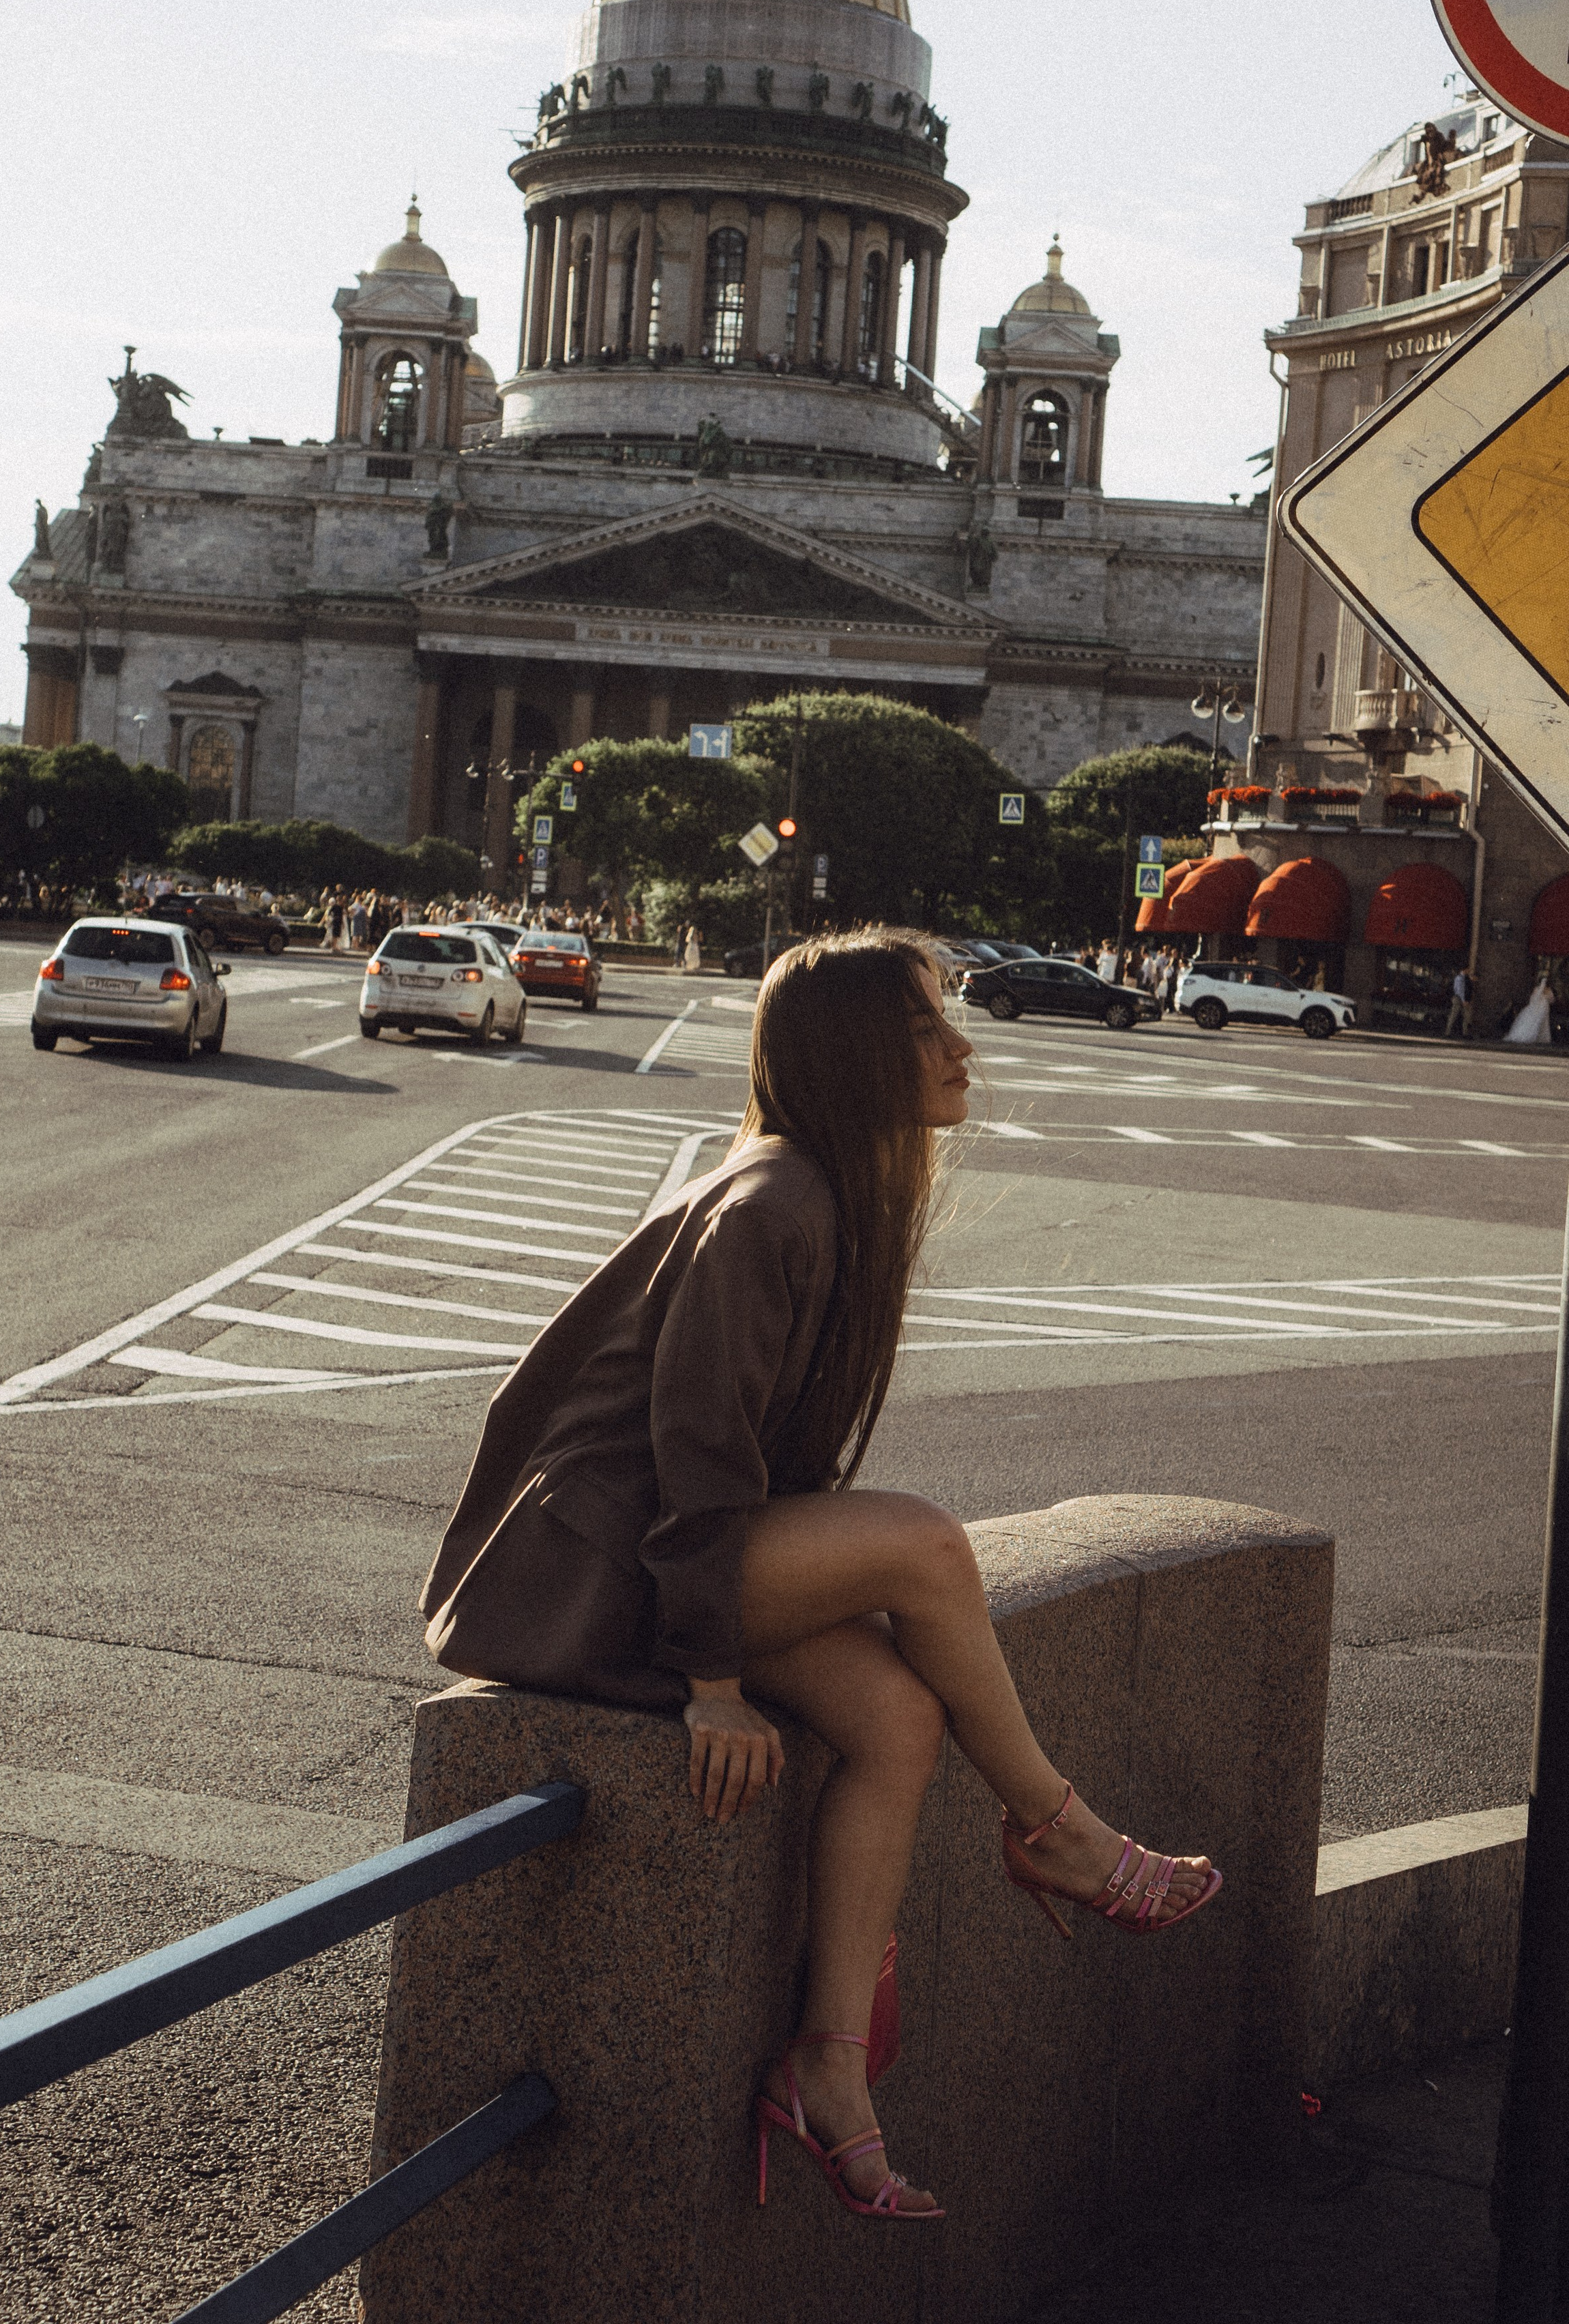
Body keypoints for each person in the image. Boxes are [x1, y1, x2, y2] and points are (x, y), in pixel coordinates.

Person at [420, 930, 1222, 2224]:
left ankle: (828, 2073)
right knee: (926, 1545)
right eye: (926, 1029)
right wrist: (714, 1684)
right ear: (853, 1058)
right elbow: (695, 1451)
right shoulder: (776, 1202)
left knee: (899, 1720)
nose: (963, 1051)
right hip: (585, 1571)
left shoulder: (824, 1194)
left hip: (660, 1553)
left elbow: (754, 1475)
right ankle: (1061, 1832)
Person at [1508, 967, 1555, 1046]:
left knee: (1541, 1023)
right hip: (1540, 1008)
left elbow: (1550, 999)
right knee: (1536, 1022)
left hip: (1542, 1008)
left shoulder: (1541, 990)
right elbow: (1550, 999)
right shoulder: (1541, 990)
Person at [1444, 965, 1473, 1040]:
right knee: (1455, 1015)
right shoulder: (1460, 978)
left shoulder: (1463, 978)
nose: (1469, 971)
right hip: (1459, 999)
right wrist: (1464, 1001)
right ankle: (1448, 1032)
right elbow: (1460, 991)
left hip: (1460, 998)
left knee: (1465, 1016)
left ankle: (1464, 1033)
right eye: (1468, 970)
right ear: (1465, 970)